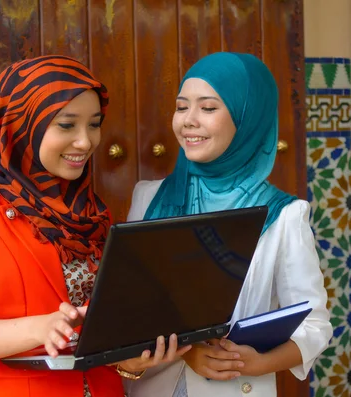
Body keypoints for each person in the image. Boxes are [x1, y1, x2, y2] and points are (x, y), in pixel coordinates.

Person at [0, 55, 186, 397]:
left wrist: (132, 363)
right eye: (67, 125)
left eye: (94, 124)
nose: (86, 141)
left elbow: (101, 336)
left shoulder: (92, 211)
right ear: (23, 124)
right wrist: (40, 328)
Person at [123, 52, 333, 397]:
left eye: (208, 108)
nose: (188, 120)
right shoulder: (148, 200)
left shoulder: (282, 215)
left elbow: (314, 325)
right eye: (181, 107)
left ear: (247, 117)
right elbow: (129, 309)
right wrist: (186, 353)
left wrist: (251, 363)